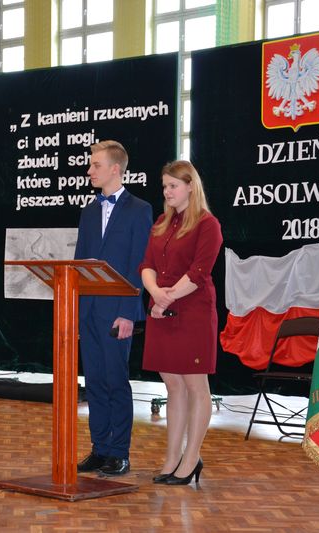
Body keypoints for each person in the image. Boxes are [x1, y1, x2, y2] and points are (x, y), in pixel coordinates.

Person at [140, 160, 222, 486]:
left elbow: (199, 272)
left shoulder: (207, 224)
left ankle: (191, 458)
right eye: (164, 186)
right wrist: (156, 293)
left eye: (173, 185)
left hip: (193, 313)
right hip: (163, 308)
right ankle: (172, 457)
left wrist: (165, 298)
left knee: (195, 386)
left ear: (191, 186)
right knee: (172, 386)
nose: (167, 191)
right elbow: (146, 264)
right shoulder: (162, 222)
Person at [74, 140, 152, 476]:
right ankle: (99, 448)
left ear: (115, 169)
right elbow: (79, 263)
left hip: (117, 311)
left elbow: (140, 263)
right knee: (93, 381)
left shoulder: (139, 209)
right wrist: (76, 314)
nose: (90, 170)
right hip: (90, 312)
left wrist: (129, 313)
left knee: (115, 381)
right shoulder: (89, 211)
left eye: (95, 165)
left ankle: (119, 450)